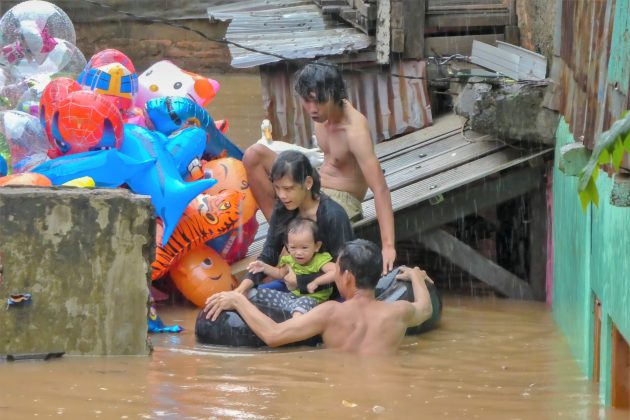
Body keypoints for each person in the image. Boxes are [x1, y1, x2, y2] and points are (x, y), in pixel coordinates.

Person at [243, 61, 396, 274]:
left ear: (335, 95)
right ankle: (285, 238)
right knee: (253, 156)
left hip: (342, 199)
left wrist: (388, 246)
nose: (313, 109)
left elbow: (380, 189)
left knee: (303, 216)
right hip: (316, 184)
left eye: (320, 101)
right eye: (308, 101)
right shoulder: (321, 116)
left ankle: (293, 246)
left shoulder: (354, 131)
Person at [204, 239, 434, 356]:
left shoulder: (331, 312)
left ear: (348, 277)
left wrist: (238, 300)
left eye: (337, 270)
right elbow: (425, 309)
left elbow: (274, 335)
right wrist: (415, 275)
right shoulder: (399, 311)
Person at [230, 150, 354, 297]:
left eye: (288, 188)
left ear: (308, 183)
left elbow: (345, 271)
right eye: (277, 188)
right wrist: (242, 288)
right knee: (246, 297)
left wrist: (301, 281)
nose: (282, 195)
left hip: (326, 293)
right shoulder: (283, 209)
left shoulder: (333, 216)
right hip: (293, 286)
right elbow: (270, 252)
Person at [247, 217, 337, 317]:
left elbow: (336, 271)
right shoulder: (289, 260)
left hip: (314, 302)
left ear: (317, 246)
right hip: (292, 298)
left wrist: (316, 282)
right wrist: (264, 267)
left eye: (304, 247)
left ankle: (294, 323)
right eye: (293, 247)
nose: (298, 253)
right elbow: (279, 273)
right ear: (287, 246)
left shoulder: (319, 260)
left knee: (299, 308)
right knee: (253, 293)